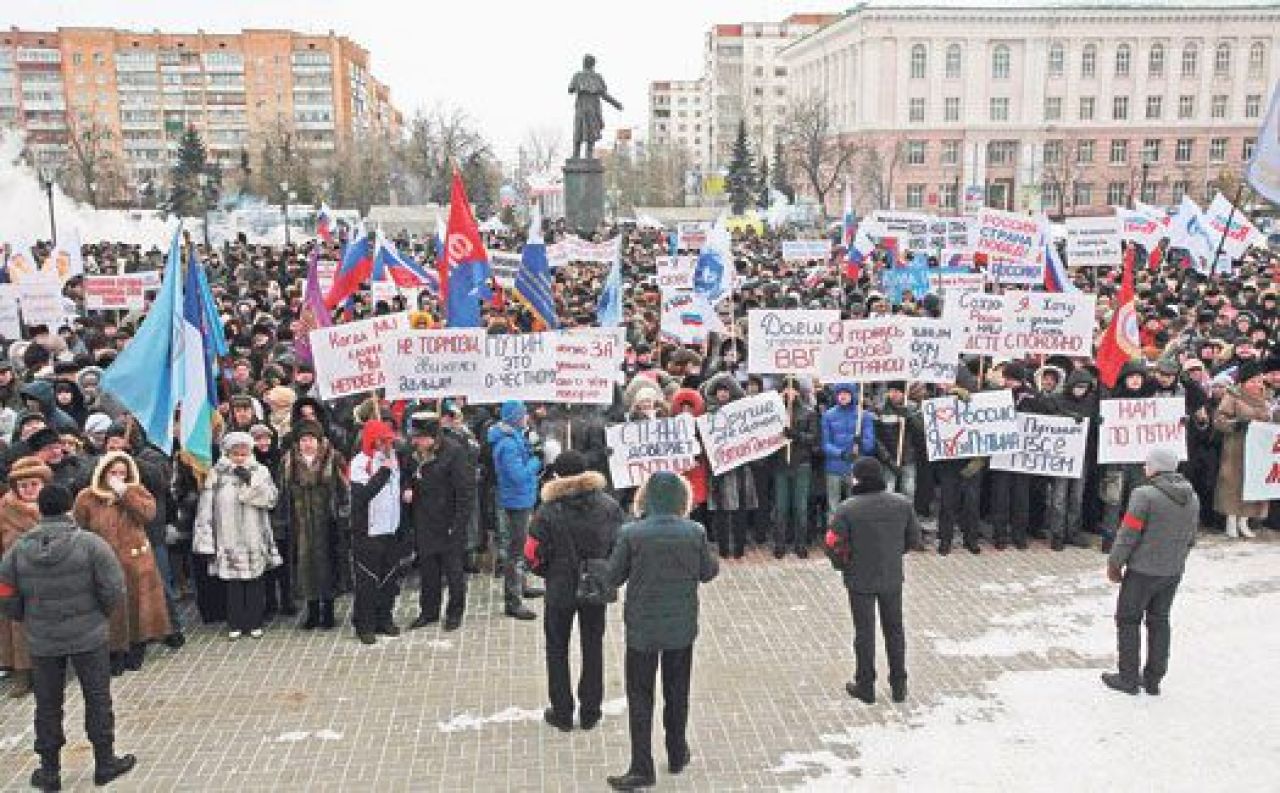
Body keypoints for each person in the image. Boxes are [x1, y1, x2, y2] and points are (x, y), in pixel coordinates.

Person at [0, 483, 136, 791]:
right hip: (88, 636)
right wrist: (100, 614)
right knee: (97, 698)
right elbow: (114, 587)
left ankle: (49, 771)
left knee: (47, 704)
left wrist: (24, 616)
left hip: (43, 638)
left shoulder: (18, 550)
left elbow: (5, 591)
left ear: (40, 510)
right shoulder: (91, 545)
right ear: (69, 508)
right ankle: (105, 762)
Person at [605, 471, 719, 791]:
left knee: (640, 697)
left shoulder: (632, 533)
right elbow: (708, 572)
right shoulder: (694, 531)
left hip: (642, 628)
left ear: (647, 497)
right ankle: (677, 752)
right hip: (681, 628)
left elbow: (613, 576)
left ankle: (642, 767)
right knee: (677, 692)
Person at [524, 450, 625, 732]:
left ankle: (562, 712)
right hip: (595, 584)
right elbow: (620, 545)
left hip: (559, 586)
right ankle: (591, 711)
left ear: (557, 475)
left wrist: (547, 572)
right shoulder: (608, 506)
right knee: (593, 646)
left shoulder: (547, 511)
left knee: (556, 648)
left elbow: (531, 553)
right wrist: (607, 570)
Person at [825, 458, 922, 705]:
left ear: (858, 478)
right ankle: (899, 685)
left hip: (859, 579)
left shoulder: (847, 508)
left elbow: (832, 543)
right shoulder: (902, 504)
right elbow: (914, 539)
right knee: (895, 631)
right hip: (891, 576)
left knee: (864, 633)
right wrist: (892, 554)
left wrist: (843, 564)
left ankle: (865, 685)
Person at [1102, 447, 1198, 696]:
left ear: (1156, 467)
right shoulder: (1192, 497)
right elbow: (1191, 538)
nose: (1144, 467)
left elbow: (1128, 534)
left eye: (1147, 463)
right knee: (1159, 620)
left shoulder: (1144, 495)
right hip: (1172, 572)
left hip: (1142, 571)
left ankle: (1128, 678)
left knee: (1128, 619)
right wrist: (1176, 562)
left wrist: (1115, 563)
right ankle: (1153, 679)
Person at [72, 451, 170, 675]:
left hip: (136, 562)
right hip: (103, 562)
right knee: (111, 609)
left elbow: (148, 514)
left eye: (122, 473)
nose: (117, 477)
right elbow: (80, 527)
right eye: (113, 473)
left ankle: (137, 647)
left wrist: (126, 493)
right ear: (103, 473)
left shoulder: (137, 491)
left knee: (138, 606)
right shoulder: (87, 497)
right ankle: (114, 652)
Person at [193, 432, 282, 640]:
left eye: (244, 453)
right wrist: (206, 539)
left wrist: (250, 484)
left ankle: (254, 621)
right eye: (236, 454)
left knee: (254, 582)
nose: (240, 457)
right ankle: (235, 622)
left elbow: (271, 499)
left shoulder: (260, 471)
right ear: (228, 453)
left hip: (254, 536)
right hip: (228, 537)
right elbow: (206, 508)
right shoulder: (217, 474)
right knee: (233, 584)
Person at [404, 412, 474, 632]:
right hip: (424, 519)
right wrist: (408, 488)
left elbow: (465, 492)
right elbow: (408, 476)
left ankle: (454, 612)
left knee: (453, 571)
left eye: (420, 437)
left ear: (433, 436)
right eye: (415, 437)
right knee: (428, 570)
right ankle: (429, 611)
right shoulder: (413, 454)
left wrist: (459, 524)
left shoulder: (454, 452)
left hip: (448, 521)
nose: (416, 441)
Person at [279, 420, 347, 630]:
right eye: (303, 440)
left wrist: (343, 515)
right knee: (305, 567)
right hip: (300, 523)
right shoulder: (289, 461)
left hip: (327, 522)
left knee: (327, 565)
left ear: (319, 441)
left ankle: (328, 611)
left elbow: (344, 489)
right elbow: (282, 493)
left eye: (311, 439)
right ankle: (312, 611)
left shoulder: (333, 458)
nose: (307, 444)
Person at [0, 456, 51, 698]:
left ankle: (49, 671)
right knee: (16, 628)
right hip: (15, 579)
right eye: (23, 485)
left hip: (50, 578)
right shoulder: (4, 511)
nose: (29, 490)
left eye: (34, 484)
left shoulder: (54, 507)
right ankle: (21, 672)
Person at [349, 419, 403, 644]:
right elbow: (363, 495)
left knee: (389, 577)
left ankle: (384, 618)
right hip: (368, 530)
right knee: (368, 580)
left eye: (390, 441)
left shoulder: (393, 458)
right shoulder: (359, 463)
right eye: (383, 441)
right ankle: (365, 624)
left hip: (390, 527)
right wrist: (383, 472)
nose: (388, 445)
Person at [488, 400, 543, 620]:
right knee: (516, 552)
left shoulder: (514, 436)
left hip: (522, 498)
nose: (527, 417)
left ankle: (521, 585)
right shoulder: (508, 445)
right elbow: (518, 475)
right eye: (523, 414)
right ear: (515, 418)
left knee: (521, 547)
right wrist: (537, 461)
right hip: (516, 501)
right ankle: (513, 600)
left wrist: (533, 449)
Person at [1212, 362, 1278, 538]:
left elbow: (1273, 419)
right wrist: (1236, 424)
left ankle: (1245, 520)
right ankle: (1231, 520)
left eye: (1259, 381)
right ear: (1243, 382)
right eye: (1253, 381)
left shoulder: (1267, 398)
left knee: (1254, 482)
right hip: (1237, 446)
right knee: (1233, 481)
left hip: (1260, 448)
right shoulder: (1233, 396)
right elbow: (1219, 420)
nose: (1257, 385)